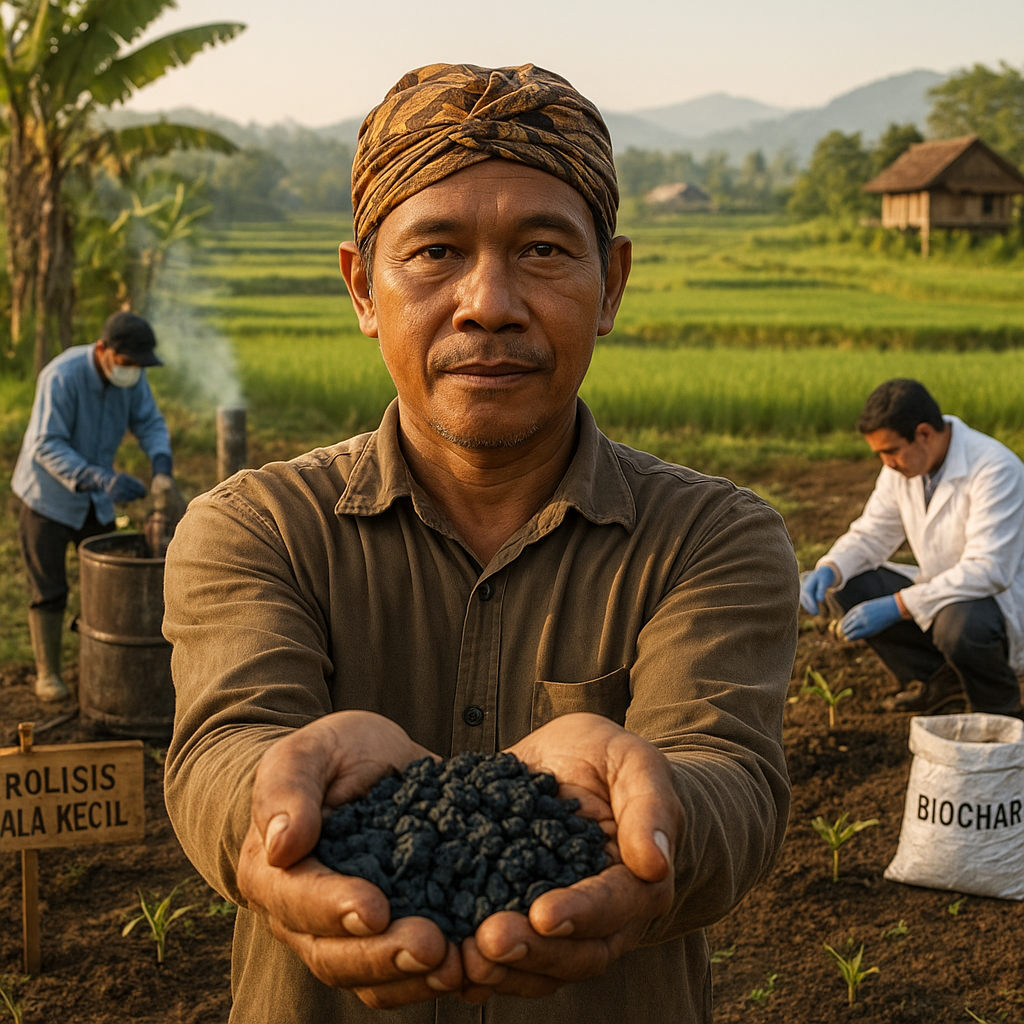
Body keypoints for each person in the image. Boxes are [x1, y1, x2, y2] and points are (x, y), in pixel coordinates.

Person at [163, 63, 798, 1023]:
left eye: (544, 249)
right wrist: (271, 802)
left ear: (611, 282)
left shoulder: (712, 539)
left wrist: (654, 805)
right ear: (362, 288)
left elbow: (728, 772)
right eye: (435, 252)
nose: (488, 302)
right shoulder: (256, 528)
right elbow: (225, 742)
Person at [801, 378, 1024, 719]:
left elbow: (988, 569)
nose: (886, 462)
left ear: (923, 434)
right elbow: (873, 533)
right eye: (880, 453)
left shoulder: (995, 470)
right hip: (941, 590)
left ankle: (998, 708)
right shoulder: (903, 468)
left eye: (890, 450)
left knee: (959, 624)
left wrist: (897, 605)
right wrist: (830, 567)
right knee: (848, 583)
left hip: (993, 602)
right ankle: (937, 684)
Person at [12, 310, 179, 701]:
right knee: (49, 586)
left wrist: (161, 466)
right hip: (47, 499)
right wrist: (100, 478)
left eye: (138, 366)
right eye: (125, 363)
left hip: (95, 502)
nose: (132, 371)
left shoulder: (132, 377)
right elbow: (45, 444)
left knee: (106, 585)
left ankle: (100, 661)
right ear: (103, 350)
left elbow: (149, 422)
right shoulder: (62, 376)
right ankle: (48, 673)